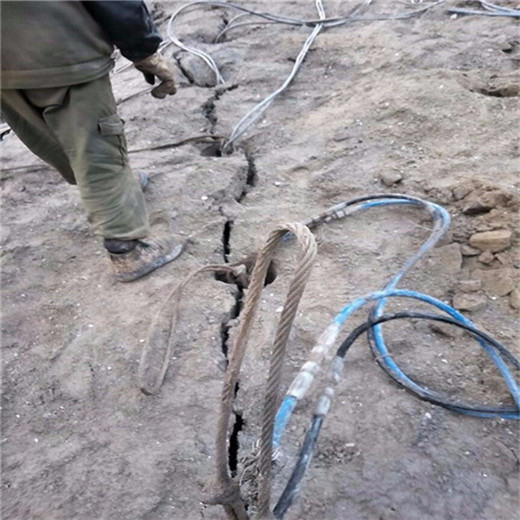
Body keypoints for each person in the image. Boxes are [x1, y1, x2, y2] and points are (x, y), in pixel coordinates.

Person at [1, 1, 183, 282]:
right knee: (96, 147)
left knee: (49, 139)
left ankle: (113, 194)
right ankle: (126, 250)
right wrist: (144, 49)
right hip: (62, 51)